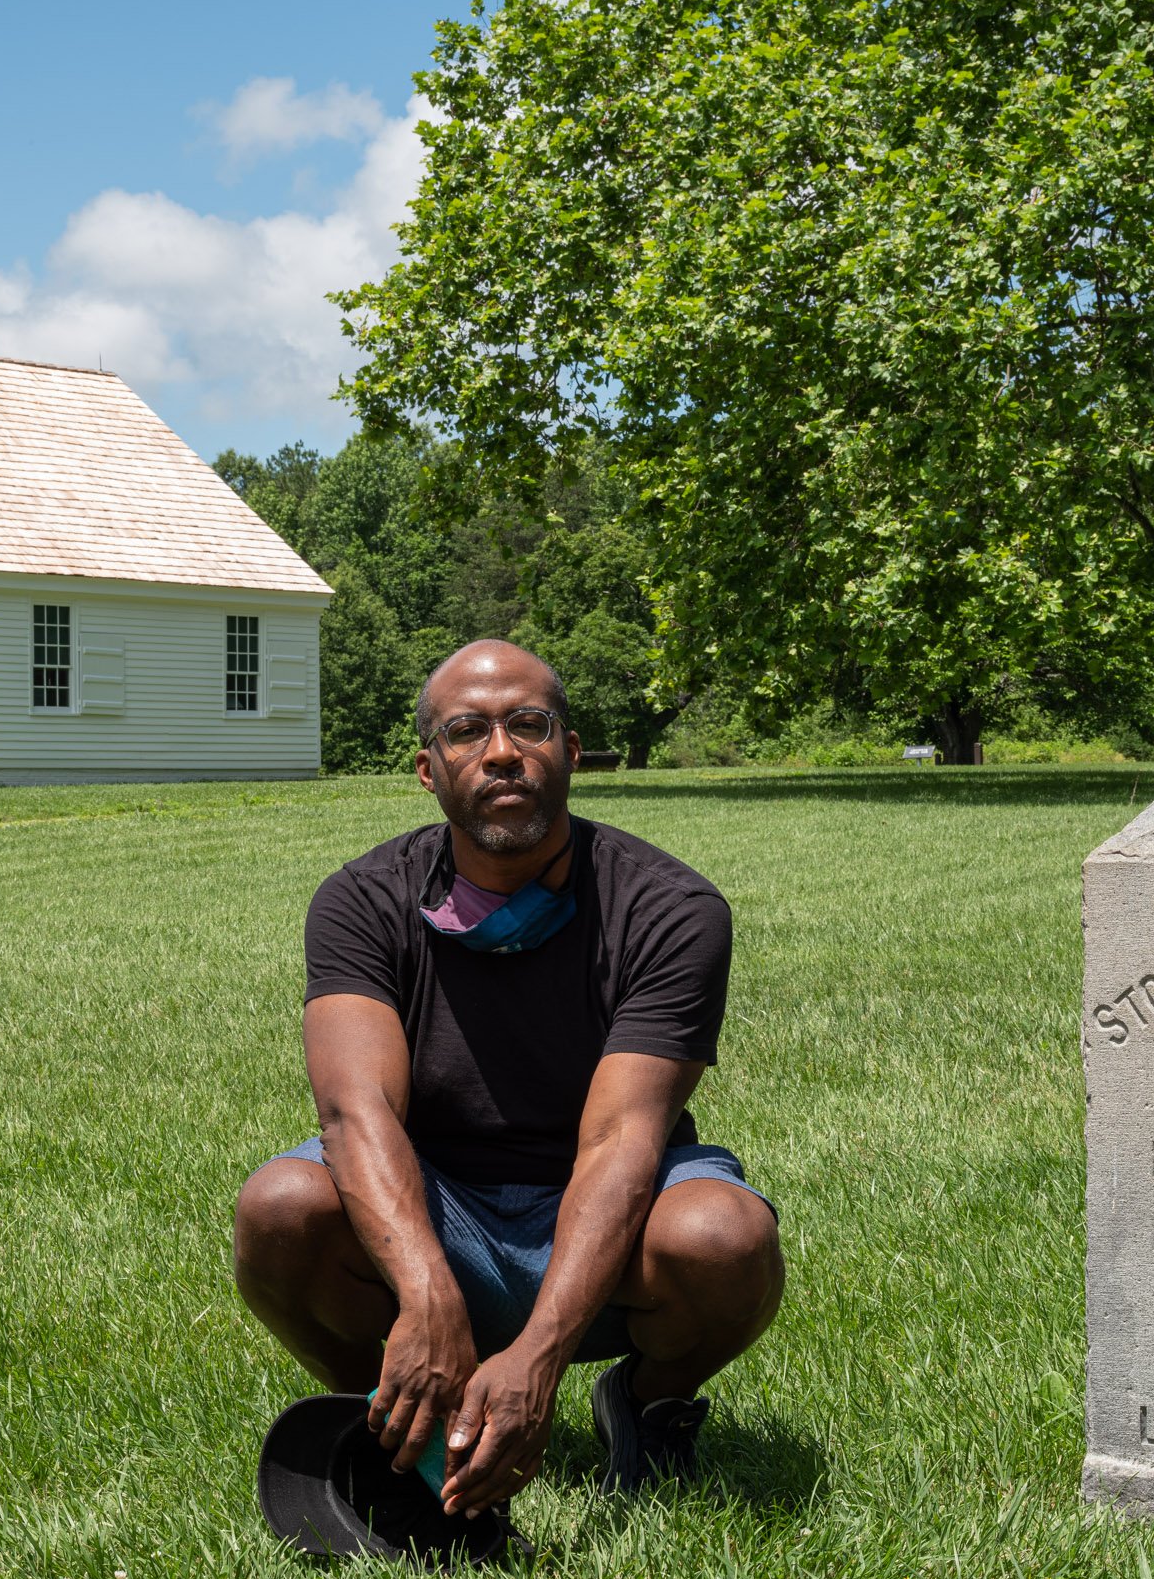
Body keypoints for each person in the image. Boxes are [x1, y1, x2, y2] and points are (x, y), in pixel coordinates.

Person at [233, 639, 785, 1522]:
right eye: (466, 731)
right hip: (436, 1200)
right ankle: (391, 1417)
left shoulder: (671, 909)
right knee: (280, 1208)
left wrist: (542, 1354)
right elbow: (356, 1112)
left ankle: (645, 1404)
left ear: (569, 750)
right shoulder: (362, 900)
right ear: (426, 768)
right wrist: (423, 1294)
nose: (500, 751)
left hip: (604, 1202)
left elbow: (622, 1142)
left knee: (724, 1237)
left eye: (529, 724)